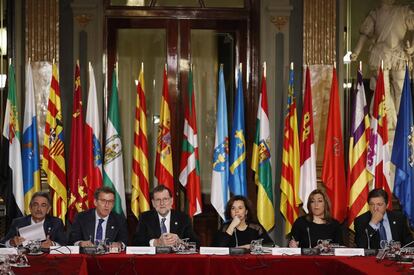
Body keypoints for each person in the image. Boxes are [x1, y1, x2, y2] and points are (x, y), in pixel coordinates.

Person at [351, 0, 414, 129]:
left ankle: (401, 124)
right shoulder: (375, 14)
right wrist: (356, 52)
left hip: (399, 53)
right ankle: (386, 124)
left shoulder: (403, 11)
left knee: (401, 88)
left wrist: (413, 48)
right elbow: (364, 34)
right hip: (381, 53)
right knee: (382, 90)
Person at [132, 185, 199, 247]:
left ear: (171, 201)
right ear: (153, 203)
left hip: (176, 258)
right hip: (154, 258)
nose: (162, 203)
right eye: (158, 200)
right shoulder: (145, 218)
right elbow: (136, 242)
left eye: (165, 199)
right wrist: (156, 242)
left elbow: (196, 243)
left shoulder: (183, 218)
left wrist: (180, 241)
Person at [68, 186, 128, 250]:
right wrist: (80, 243)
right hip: (87, 257)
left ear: (113, 204)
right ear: (95, 202)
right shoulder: (81, 218)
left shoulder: (119, 220)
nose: (106, 205)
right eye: (103, 201)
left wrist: (119, 244)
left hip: (110, 258)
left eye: (110, 201)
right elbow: (72, 240)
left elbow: (125, 241)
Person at [1, 192, 66, 248]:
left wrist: (53, 244)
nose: (38, 209)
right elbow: (2, 243)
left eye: (43, 205)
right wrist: (11, 242)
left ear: (48, 209)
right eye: (35, 205)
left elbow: (64, 244)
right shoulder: (18, 222)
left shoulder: (56, 223)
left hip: (48, 260)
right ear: (30, 208)